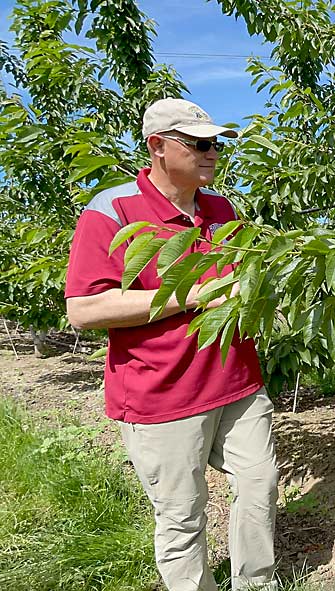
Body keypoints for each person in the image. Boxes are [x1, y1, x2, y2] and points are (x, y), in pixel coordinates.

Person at [64, 98, 278, 591]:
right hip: (163, 395)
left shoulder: (222, 208)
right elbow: (85, 309)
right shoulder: (114, 211)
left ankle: (257, 582)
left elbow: (242, 276)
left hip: (237, 382)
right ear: (158, 146)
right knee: (182, 515)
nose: (212, 153)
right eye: (199, 143)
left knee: (259, 486)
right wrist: (194, 293)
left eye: (216, 144)